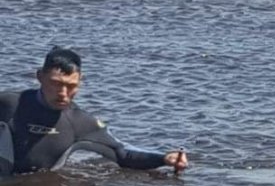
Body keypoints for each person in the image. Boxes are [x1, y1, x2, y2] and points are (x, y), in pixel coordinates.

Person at [0, 48, 188, 177]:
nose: (63, 94)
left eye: (71, 86)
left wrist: (163, 158)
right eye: (56, 84)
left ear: (80, 81)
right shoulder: (10, 103)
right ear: (40, 76)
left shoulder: (80, 123)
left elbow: (123, 153)